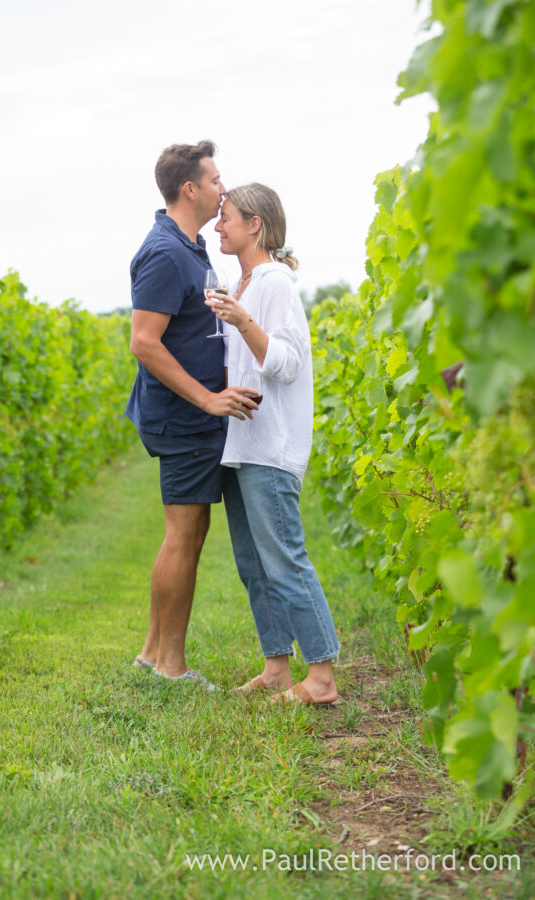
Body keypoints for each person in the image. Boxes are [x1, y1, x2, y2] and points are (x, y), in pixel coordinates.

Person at [126, 142, 258, 690]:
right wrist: (206, 400)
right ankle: (171, 668)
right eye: (215, 180)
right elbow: (144, 342)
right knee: (184, 534)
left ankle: (153, 654)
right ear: (190, 188)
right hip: (183, 417)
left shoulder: (191, 248)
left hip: (193, 417)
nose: (221, 189)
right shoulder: (164, 252)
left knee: (186, 532)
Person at [205, 183, 341, 705]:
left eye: (227, 217)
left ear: (255, 224)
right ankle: (277, 667)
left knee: (285, 560)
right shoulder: (240, 285)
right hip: (241, 444)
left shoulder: (275, 283)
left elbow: (286, 363)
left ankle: (322, 677)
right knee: (252, 563)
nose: (219, 226)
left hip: (271, 446)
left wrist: (243, 322)